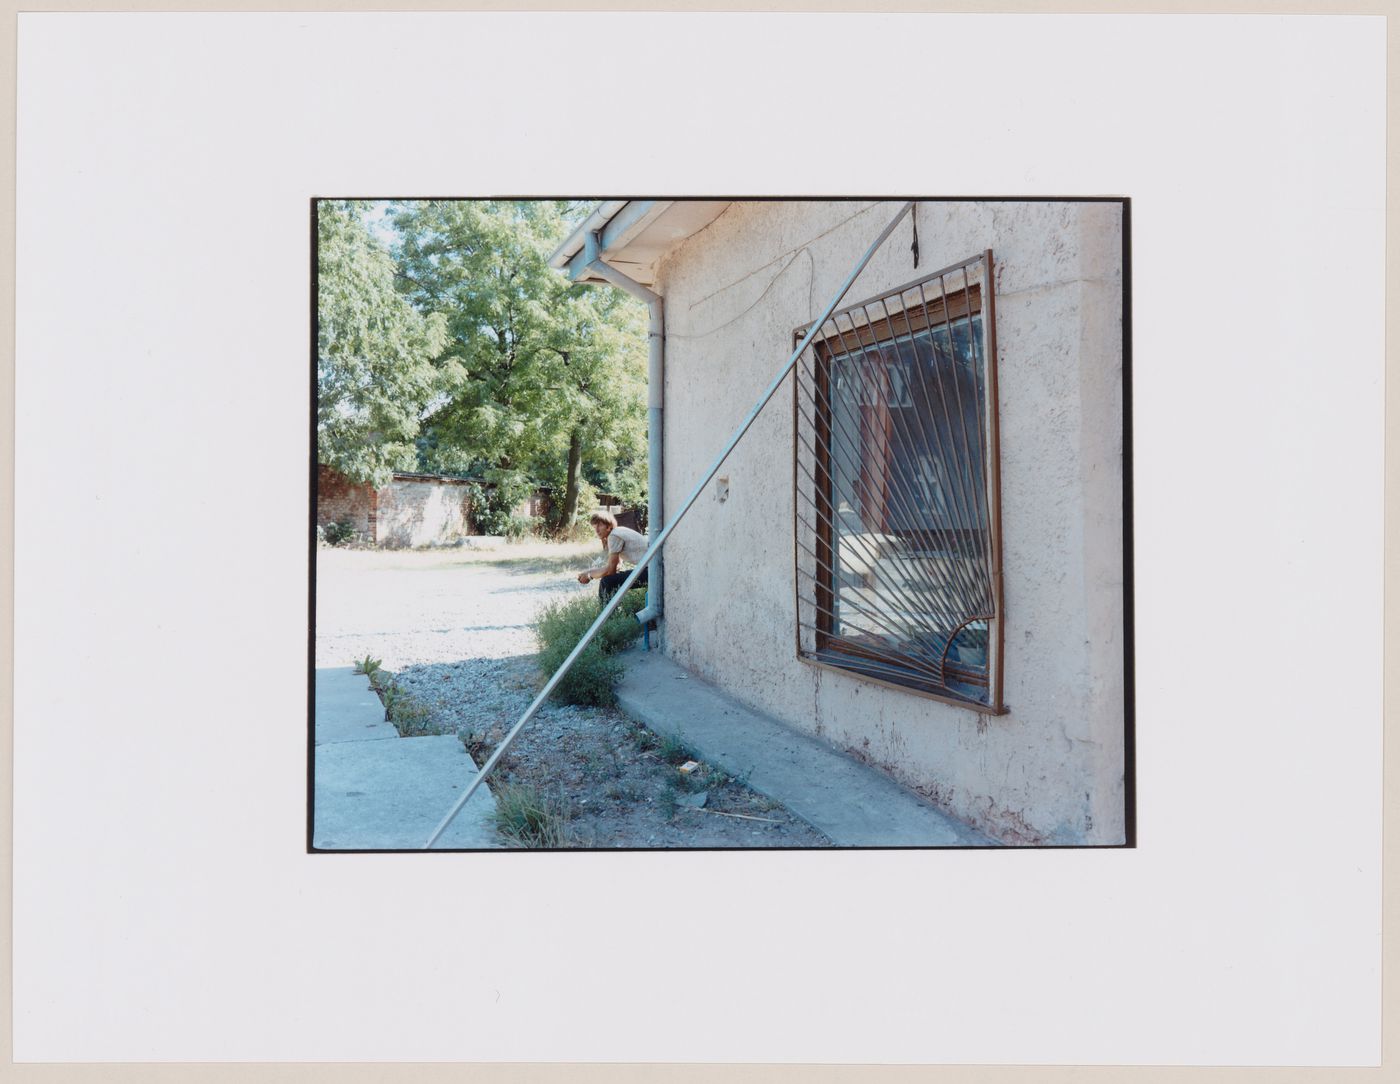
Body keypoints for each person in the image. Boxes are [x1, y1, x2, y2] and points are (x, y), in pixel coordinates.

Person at [577, 511, 649, 603]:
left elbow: (611, 571)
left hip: (651, 571)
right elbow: (617, 566)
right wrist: (591, 572)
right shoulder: (618, 531)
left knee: (607, 581)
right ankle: (614, 612)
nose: (597, 530)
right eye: (595, 527)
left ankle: (608, 616)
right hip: (651, 569)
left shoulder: (614, 536)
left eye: (599, 525)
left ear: (608, 526)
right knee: (611, 580)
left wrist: (589, 575)